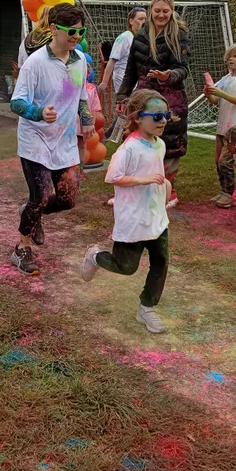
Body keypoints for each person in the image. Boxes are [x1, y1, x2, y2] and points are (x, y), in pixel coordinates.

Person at [10, 3, 94, 276]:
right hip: (35, 140)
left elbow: (81, 97)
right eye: (71, 31)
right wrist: (39, 113)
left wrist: (87, 120)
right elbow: (16, 102)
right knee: (41, 196)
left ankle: (30, 211)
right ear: (54, 29)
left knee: (68, 199)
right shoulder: (35, 63)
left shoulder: (79, 60)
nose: (77, 37)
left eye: (81, 32)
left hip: (64, 141)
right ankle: (22, 248)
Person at [81, 89, 171, 333]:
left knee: (161, 262)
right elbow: (113, 176)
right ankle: (95, 256)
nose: (163, 121)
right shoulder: (129, 148)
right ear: (138, 118)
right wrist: (144, 180)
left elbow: (157, 175)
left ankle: (147, 308)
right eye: (157, 116)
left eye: (166, 115)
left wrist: (164, 191)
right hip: (133, 219)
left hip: (156, 218)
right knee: (126, 267)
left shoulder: (160, 144)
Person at [115, 0, 190, 207]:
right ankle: (136, 188)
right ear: (151, 10)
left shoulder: (180, 35)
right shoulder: (140, 35)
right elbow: (131, 69)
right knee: (137, 139)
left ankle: (169, 192)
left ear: (172, 11)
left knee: (168, 144)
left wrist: (169, 75)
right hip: (143, 95)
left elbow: (183, 68)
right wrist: (123, 96)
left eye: (166, 11)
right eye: (157, 10)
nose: (161, 15)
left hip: (170, 97)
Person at [204, 43, 236, 211]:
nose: (231, 59)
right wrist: (209, 94)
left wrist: (219, 93)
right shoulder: (226, 78)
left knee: (226, 161)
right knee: (218, 160)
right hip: (222, 126)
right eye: (230, 56)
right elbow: (215, 101)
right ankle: (223, 190)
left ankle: (230, 194)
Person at [98, 7, 148, 95]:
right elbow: (112, 60)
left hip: (139, 81)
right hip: (124, 81)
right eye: (140, 19)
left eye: (145, 19)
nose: (143, 22)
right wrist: (104, 82)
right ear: (131, 21)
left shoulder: (142, 38)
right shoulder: (125, 38)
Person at [77, 61, 102, 171]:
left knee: (82, 145)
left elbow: (95, 107)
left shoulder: (92, 89)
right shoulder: (69, 86)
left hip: (84, 124)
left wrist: (92, 123)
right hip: (71, 123)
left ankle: (80, 168)